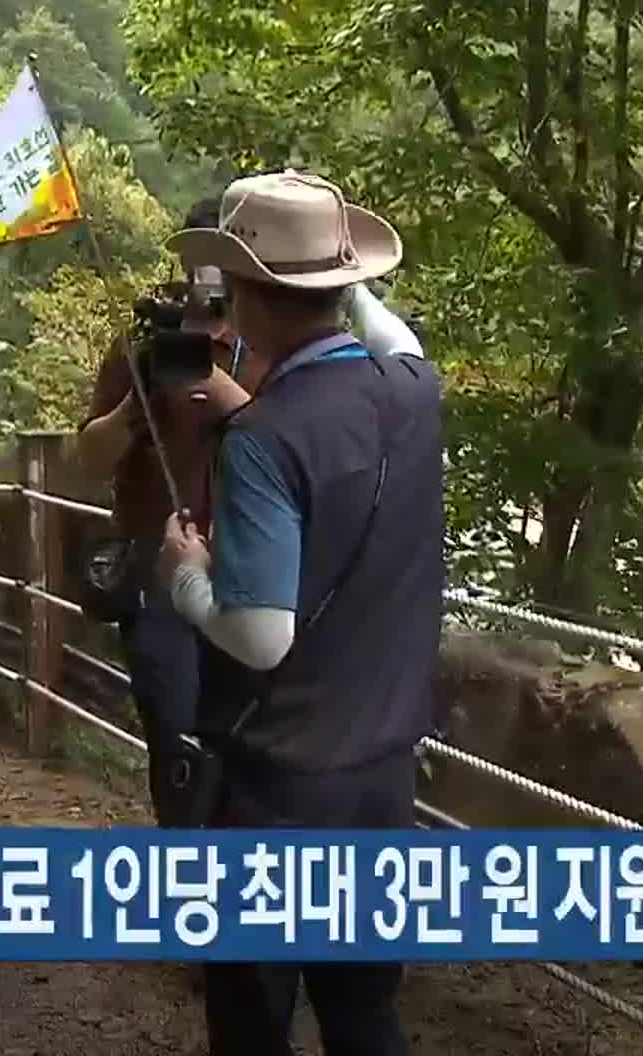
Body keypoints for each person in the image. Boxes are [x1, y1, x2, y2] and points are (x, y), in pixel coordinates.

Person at [155, 171, 443, 1056]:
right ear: (336, 286)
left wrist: (184, 575)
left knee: (252, 1015)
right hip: (385, 768)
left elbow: (259, 634)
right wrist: (340, 280)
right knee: (362, 1009)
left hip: (282, 783)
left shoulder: (266, 438)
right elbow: (395, 333)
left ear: (239, 297)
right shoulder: (413, 390)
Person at [74, 196, 264, 825]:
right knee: (180, 748)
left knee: (251, 752)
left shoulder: (274, 341)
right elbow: (88, 460)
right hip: (162, 579)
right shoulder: (144, 341)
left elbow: (300, 445)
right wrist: (138, 405)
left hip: (257, 575)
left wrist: (229, 394)